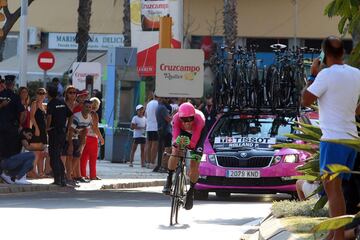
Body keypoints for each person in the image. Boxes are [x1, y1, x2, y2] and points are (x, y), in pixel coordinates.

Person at [302, 36, 360, 240]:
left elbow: (306, 100)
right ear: (343, 52)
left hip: (333, 140)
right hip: (351, 140)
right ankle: (336, 234)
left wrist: (313, 76)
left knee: (333, 190)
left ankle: (337, 237)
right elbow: (358, 109)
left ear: (324, 54)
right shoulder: (357, 74)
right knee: (338, 191)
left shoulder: (325, 75)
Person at [162, 102, 206, 210]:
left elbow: (194, 142)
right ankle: (169, 177)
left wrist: (191, 147)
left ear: (193, 117)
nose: (187, 122)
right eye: (184, 119)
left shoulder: (199, 119)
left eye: (190, 119)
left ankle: (191, 191)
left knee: (194, 164)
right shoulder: (176, 119)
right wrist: (177, 145)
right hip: (183, 133)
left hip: (198, 134)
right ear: (180, 118)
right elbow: (176, 137)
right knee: (175, 151)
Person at [46, 85, 73, 186]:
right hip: (62, 132)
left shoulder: (51, 104)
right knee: (57, 156)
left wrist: (47, 127)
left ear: (48, 93)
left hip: (54, 132)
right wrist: (67, 128)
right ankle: (62, 178)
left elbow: (49, 117)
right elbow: (71, 115)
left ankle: (58, 179)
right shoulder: (62, 103)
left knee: (54, 156)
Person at [0, 75, 26, 160]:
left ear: (5, 83)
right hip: (11, 128)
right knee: (11, 152)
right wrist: (20, 124)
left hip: (1, 127)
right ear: (14, 84)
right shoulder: (15, 97)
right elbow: (23, 113)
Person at [67, 100, 93, 183]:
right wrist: (70, 144)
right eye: (86, 107)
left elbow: (85, 131)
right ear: (82, 107)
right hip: (68, 135)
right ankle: (68, 176)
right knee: (70, 156)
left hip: (77, 136)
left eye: (90, 107)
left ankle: (69, 174)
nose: (88, 109)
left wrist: (81, 144)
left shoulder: (89, 118)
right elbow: (70, 130)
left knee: (77, 155)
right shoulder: (77, 117)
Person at [80, 97, 104, 180]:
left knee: (83, 158)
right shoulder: (95, 114)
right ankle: (92, 175)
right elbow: (95, 128)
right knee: (93, 158)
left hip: (84, 137)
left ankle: (82, 174)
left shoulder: (85, 113)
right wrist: (101, 138)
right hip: (93, 138)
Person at [28, 88, 48, 178]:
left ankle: (40, 173)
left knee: (41, 153)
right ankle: (32, 172)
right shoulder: (34, 104)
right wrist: (36, 128)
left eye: (43, 93)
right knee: (36, 152)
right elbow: (32, 117)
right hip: (37, 129)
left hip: (43, 131)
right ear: (36, 94)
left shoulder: (44, 106)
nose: (41, 95)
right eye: (39, 93)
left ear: (45, 95)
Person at [61, 85, 79, 182]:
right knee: (65, 154)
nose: (72, 94)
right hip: (65, 131)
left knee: (73, 155)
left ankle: (69, 174)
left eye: (74, 92)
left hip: (76, 133)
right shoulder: (63, 104)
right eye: (70, 92)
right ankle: (64, 174)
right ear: (66, 94)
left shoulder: (78, 105)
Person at [156, 97, 172, 173]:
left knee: (162, 149)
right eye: (166, 98)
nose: (167, 99)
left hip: (161, 130)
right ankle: (163, 166)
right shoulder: (163, 108)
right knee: (167, 149)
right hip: (165, 131)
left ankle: (161, 165)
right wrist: (174, 115)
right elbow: (168, 119)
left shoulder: (159, 107)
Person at [145, 92, 159, 168]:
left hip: (149, 126)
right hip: (155, 127)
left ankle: (147, 162)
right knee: (154, 145)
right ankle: (152, 162)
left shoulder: (149, 103)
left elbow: (146, 115)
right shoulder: (158, 104)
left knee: (148, 145)